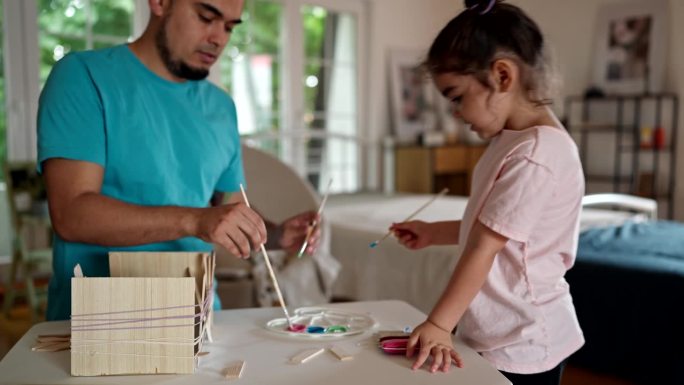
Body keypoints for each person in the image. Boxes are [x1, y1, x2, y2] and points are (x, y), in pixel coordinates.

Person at [37, 0, 320, 321]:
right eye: (206, 18)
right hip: (96, 325)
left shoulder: (221, 108)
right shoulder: (83, 77)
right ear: (160, 3)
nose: (219, 38)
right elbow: (72, 214)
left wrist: (276, 234)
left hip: (198, 318)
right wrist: (195, 221)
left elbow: (222, 206)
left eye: (228, 27)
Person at [390, 1, 584, 384]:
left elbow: (485, 247)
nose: (456, 113)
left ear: (502, 76)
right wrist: (434, 232)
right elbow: (485, 225)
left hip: (523, 339)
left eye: (457, 97)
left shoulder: (536, 154)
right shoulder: (510, 141)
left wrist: (439, 324)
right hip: (499, 331)